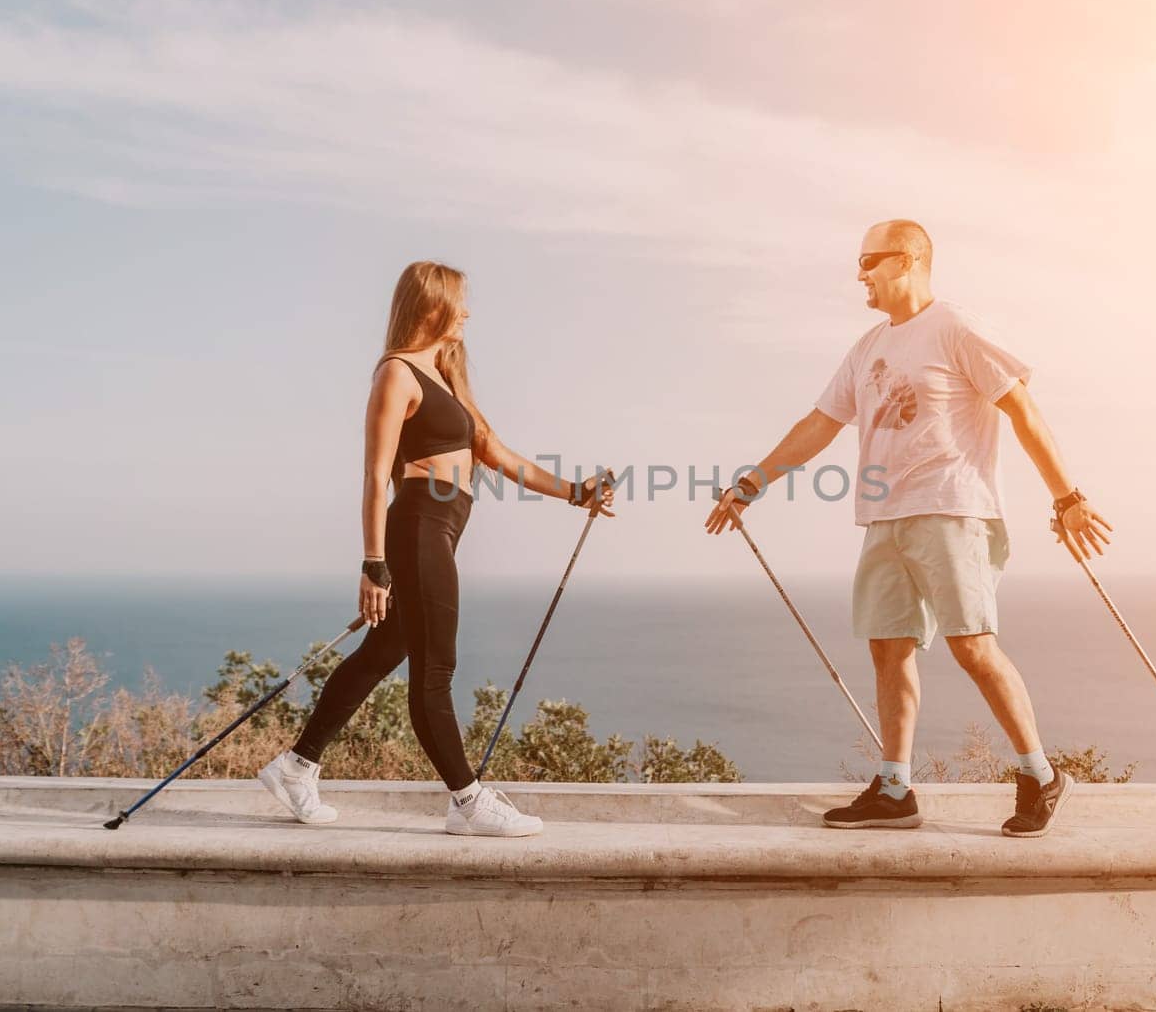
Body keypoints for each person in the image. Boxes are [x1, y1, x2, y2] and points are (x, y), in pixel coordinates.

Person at [704, 219, 1110, 837]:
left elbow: (1021, 406)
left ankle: (1039, 774)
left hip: (952, 508)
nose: (859, 274)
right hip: (884, 516)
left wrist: (1068, 498)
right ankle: (896, 789)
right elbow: (819, 423)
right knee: (888, 649)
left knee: (972, 644)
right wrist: (752, 484)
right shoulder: (867, 347)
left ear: (908, 260)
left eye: (869, 261)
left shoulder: (956, 327)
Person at [259, 260, 613, 837]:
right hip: (418, 527)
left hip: (441, 527)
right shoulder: (397, 374)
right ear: (431, 305)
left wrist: (577, 493)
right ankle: (467, 802)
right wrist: (374, 565)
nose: (468, 312)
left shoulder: (447, 377)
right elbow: (376, 476)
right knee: (435, 670)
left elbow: (497, 453)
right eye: (461, 301)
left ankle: (296, 766)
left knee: (380, 654)